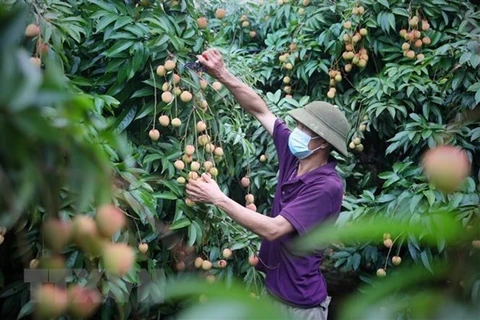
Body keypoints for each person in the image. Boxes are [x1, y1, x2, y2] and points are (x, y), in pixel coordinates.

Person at [185, 48, 351, 320]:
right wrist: (222, 74)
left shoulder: (326, 187)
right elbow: (260, 110)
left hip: (300, 306)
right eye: (299, 125)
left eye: (306, 129)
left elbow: (274, 230)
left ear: (323, 143)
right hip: (272, 293)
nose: (297, 131)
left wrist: (218, 197)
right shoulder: (295, 154)